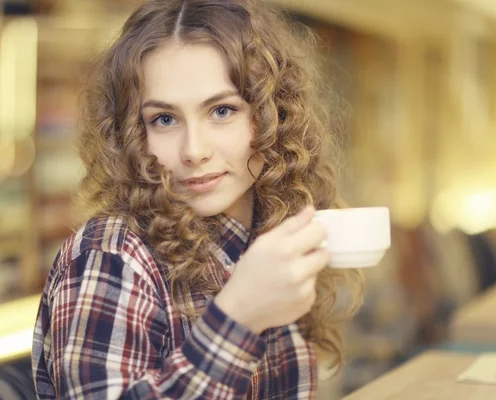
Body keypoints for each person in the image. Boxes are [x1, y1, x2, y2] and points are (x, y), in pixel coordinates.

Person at [32, 0, 362, 398]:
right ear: (132, 135)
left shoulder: (267, 237)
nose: (194, 150)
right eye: (165, 119)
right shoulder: (112, 256)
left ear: (274, 115)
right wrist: (236, 320)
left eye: (222, 111)